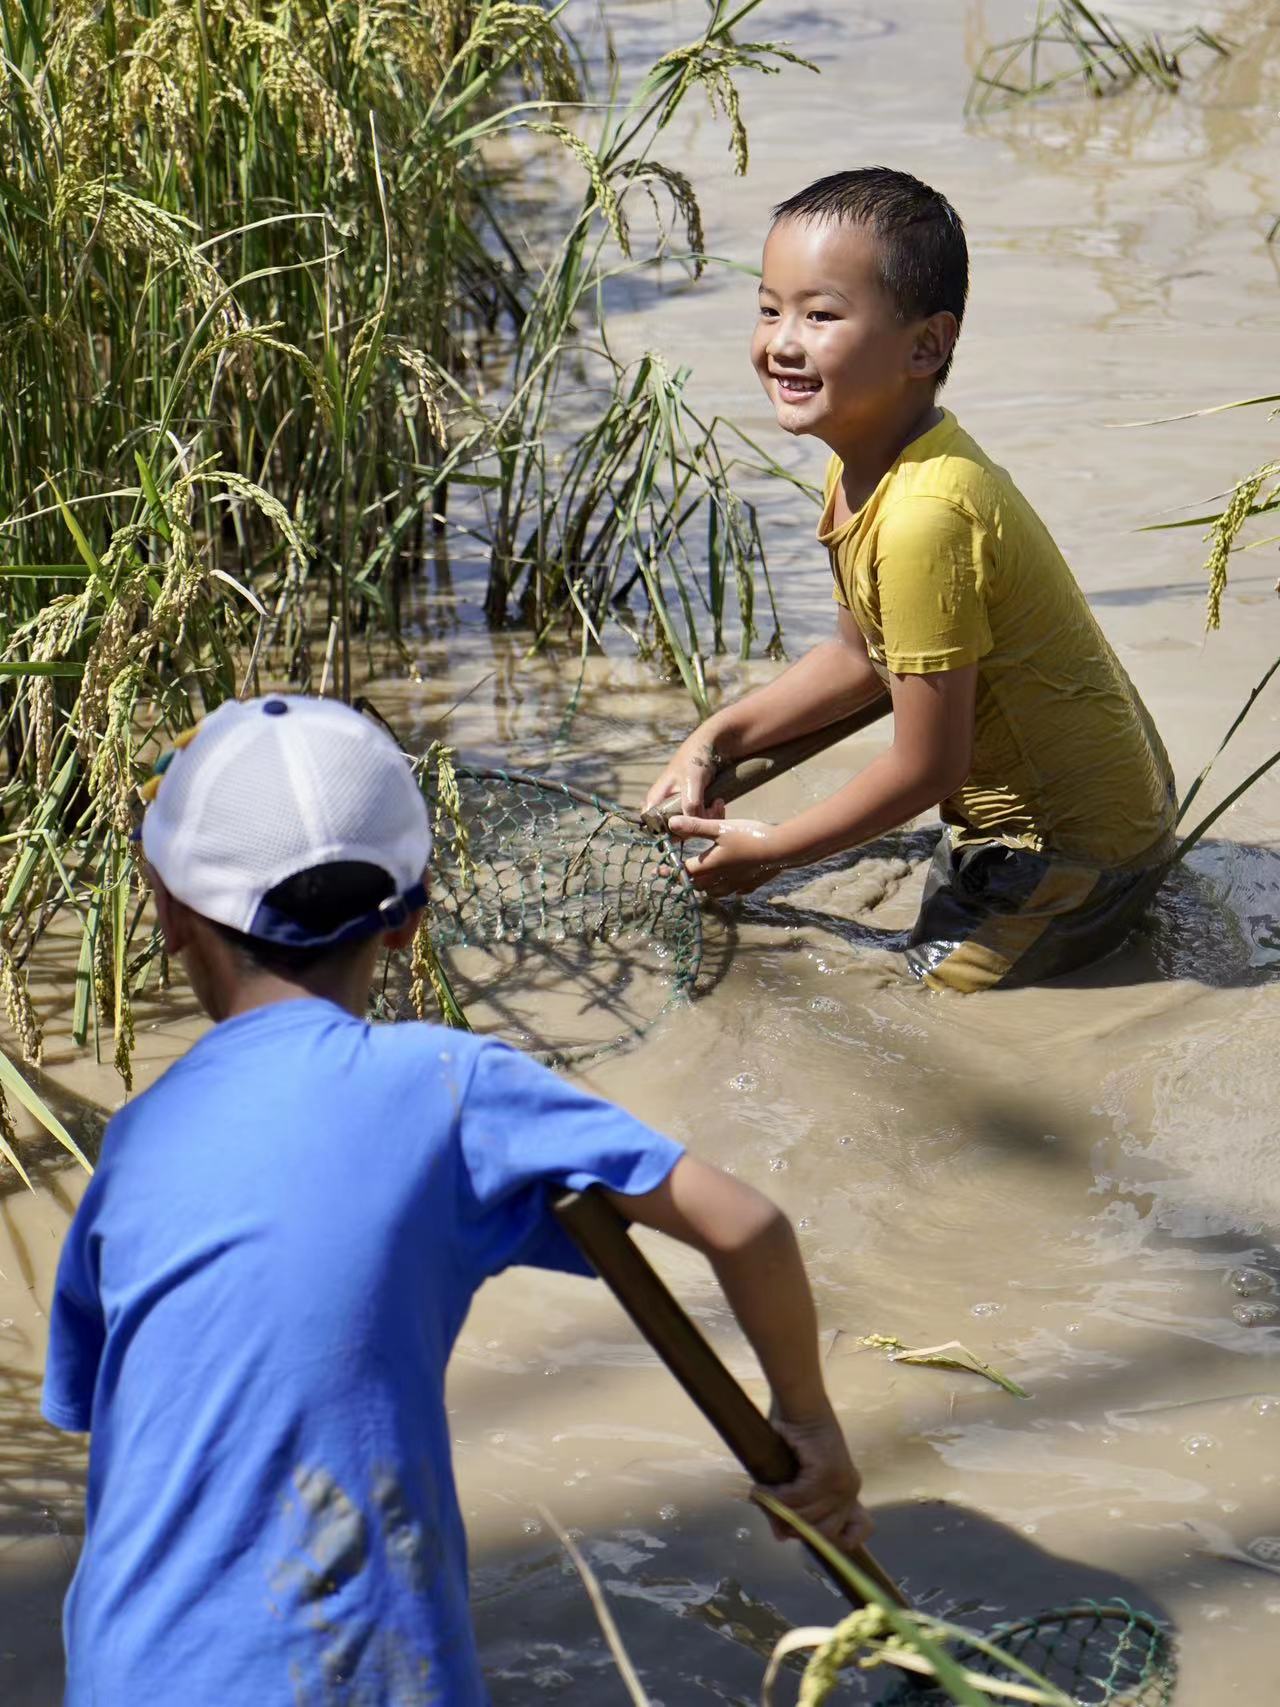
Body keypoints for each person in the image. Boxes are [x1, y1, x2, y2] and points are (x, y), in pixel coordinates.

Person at [41, 694, 869, 1706]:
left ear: (169, 914)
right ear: (408, 922)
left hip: (122, 1670)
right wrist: (808, 1428)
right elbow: (747, 1227)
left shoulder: (133, 1142)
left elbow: (108, 1415)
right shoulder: (450, 1084)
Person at [646, 167, 1176, 993]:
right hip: (1114, 801)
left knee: (916, 1002)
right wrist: (711, 742)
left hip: (1077, 853)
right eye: (769, 309)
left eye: (821, 315)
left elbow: (929, 767)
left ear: (926, 346)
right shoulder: (866, 460)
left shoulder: (924, 516)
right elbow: (860, 659)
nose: (782, 342)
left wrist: (775, 850)